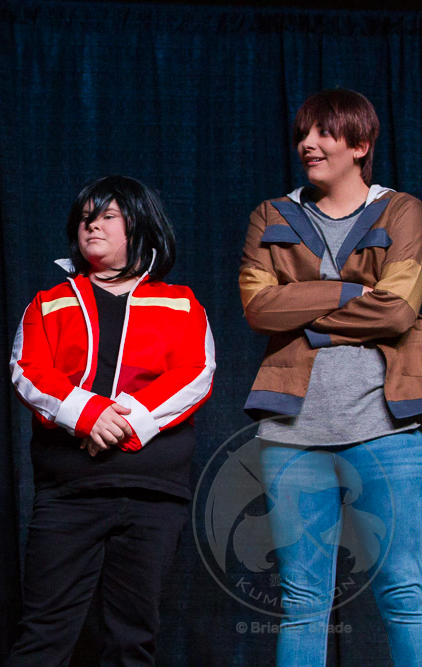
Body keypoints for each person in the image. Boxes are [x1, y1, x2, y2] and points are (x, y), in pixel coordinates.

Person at [239, 88, 422, 665]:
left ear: (360, 144)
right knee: (301, 600)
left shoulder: (402, 211)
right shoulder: (271, 215)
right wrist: (350, 293)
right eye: (303, 134)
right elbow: (258, 308)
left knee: (404, 591)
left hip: (387, 428)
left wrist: (303, 306)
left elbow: (398, 310)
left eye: (323, 133)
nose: (308, 144)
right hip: (291, 432)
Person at [7, 175, 215, 666]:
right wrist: (88, 414)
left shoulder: (181, 302)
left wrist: (124, 422)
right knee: (43, 637)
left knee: (131, 641)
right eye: (85, 217)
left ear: (139, 226)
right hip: (69, 493)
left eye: (107, 216)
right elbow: (27, 368)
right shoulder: (48, 302)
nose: (92, 225)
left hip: (152, 495)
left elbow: (196, 371)